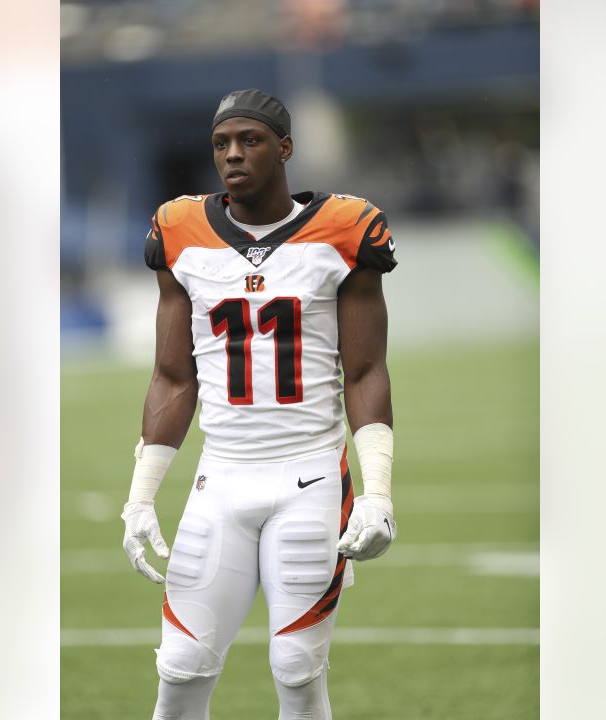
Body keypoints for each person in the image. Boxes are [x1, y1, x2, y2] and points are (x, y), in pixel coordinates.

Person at [121, 88, 398, 720]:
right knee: (181, 671)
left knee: (298, 674)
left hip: (310, 478)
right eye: (221, 144)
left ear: (286, 148)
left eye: (250, 140)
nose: (233, 155)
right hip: (220, 479)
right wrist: (139, 499)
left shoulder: (343, 229)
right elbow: (171, 377)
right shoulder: (181, 231)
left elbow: (364, 371)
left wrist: (378, 490)